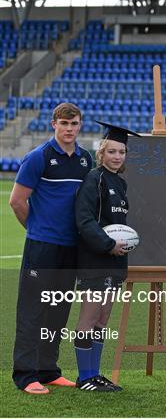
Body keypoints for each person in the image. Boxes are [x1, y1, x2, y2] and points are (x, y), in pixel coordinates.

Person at [9, 102, 92, 394]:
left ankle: (48, 370)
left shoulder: (85, 160)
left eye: (74, 124)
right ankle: (25, 375)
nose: (69, 129)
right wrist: (37, 230)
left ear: (80, 125)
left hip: (72, 248)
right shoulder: (38, 157)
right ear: (54, 124)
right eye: (64, 124)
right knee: (33, 311)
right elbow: (17, 201)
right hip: (42, 247)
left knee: (58, 311)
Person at [74, 121, 141, 392]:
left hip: (115, 262)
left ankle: (95, 374)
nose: (117, 157)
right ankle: (84, 377)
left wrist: (119, 247)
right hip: (95, 260)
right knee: (89, 318)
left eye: (121, 152)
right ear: (101, 152)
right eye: (112, 152)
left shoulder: (120, 184)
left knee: (103, 319)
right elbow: (84, 220)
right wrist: (107, 244)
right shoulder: (94, 179)